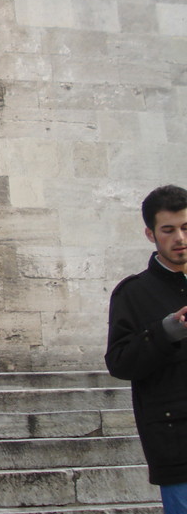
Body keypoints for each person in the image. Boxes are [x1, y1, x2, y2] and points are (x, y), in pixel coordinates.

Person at [106, 185, 187, 513]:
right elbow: (119, 362)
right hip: (177, 441)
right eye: (168, 230)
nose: (179, 238)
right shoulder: (133, 293)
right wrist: (166, 331)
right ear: (150, 234)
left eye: (185, 228)